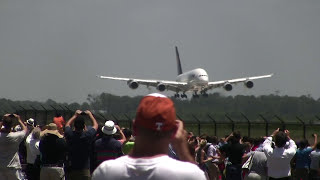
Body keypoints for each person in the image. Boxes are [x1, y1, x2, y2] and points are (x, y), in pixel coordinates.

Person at [92, 93, 206, 180]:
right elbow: (197, 174)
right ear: (174, 132)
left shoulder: (106, 172)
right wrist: (182, 148)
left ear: (135, 128)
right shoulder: (189, 174)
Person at [64, 110, 98, 180]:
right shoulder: (88, 135)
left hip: (72, 168)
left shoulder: (70, 135)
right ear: (83, 126)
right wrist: (90, 115)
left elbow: (67, 125)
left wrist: (75, 115)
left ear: (74, 125)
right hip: (84, 169)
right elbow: (95, 125)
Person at [0, 114, 27, 180]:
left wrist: (3, 120)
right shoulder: (15, 136)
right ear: (12, 125)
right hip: (13, 167)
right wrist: (19, 120)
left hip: (1, 167)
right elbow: (25, 130)